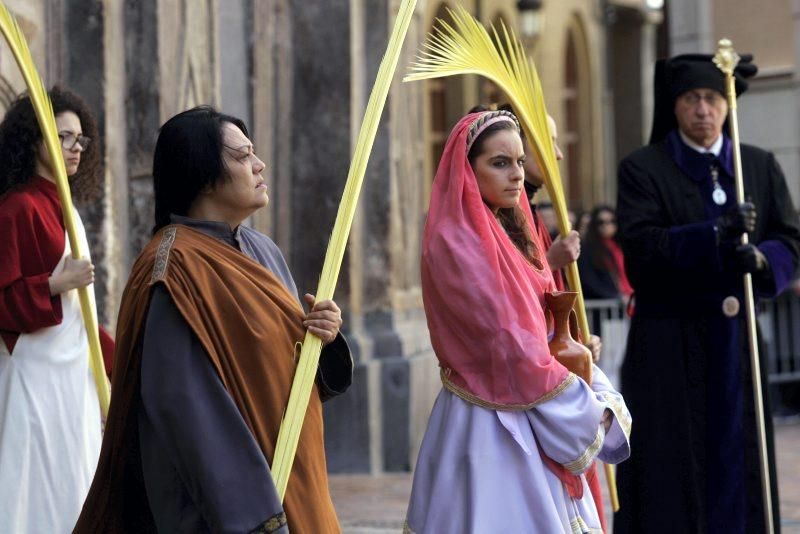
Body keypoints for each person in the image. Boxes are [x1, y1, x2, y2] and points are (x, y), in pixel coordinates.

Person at [75, 106, 353, 533]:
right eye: (242, 157)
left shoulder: (262, 249)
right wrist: (259, 520)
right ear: (203, 175)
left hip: (298, 477)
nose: (259, 165)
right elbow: (189, 410)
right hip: (229, 509)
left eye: (254, 153)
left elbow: (285, 373)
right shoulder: (173, 270)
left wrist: (325, 337)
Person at [404, 109, 630, 533]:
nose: (515, 174)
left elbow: (536, 323)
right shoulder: (456, 241)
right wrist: (586, 405)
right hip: (489, 415)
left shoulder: (507, 228)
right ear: (468, 170)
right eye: (499, 163)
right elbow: (508, 341)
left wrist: (574, 349)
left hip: (528, 399)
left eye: (520, 162)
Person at [615, 54, 800, 533]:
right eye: (692, 99)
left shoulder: (756, 164)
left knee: (738, 464)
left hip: (736, 345)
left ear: (728, 104)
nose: (703, 110)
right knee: (671, 469)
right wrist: (713, 233)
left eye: (714, 99)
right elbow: (641, 248)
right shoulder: (643, 168)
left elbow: (789, 238)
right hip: (668, 346)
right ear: (674, 107)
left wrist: (763, 263)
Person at [0, 86, 113, 532]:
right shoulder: (17, 208)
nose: (76, 149)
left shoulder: (66, 208)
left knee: (75, 483)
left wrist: (105, 365)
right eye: (64, 137)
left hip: (71, 377)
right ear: (34, 139)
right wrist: (52, 284)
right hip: (33, 374)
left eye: (81, 139)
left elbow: (81, 308)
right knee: (30, 489)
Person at [577, 205, 632, 302]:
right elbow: (589, 281)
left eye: (612, 221)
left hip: (627, 302)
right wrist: (615, 297)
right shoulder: (587, 249)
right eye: (601, 222)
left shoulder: (621, 246)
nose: (607, 225)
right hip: (606, 306)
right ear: (594, 224)